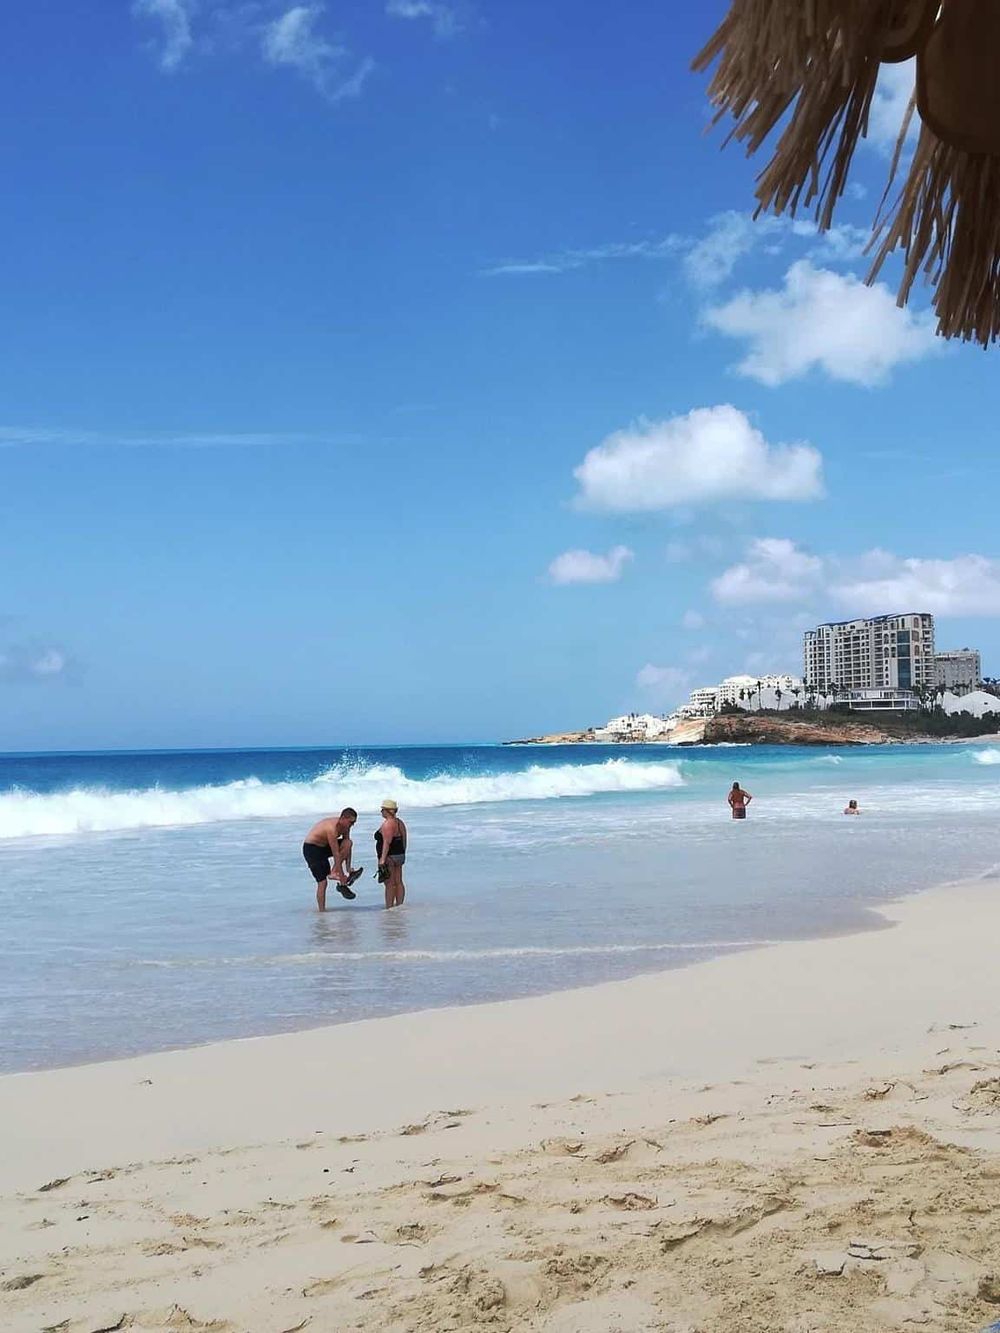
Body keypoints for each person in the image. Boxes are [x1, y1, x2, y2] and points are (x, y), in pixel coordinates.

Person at [303, 808, 363, 911]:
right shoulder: (332, 828)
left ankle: (338, 875)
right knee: (322, 882)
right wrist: (341, 875)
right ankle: (322, 911)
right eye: (351, 822)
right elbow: (336, 854)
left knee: (348, 842)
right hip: (312, 848)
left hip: (324, 846)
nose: (352, 825)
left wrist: (348, 869)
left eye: (354, 822)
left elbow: (347, 846)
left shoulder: (346, 827)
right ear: (343, 818)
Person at [375, 798, 407, 909]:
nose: (381, 812)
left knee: (389, 883)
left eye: (382, 810)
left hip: (389, 856)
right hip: (399, 855)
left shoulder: (388, 824)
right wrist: (403, 853)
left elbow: (387, 843)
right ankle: (399, 905)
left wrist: (382, 859)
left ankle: (389, 907)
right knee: (398, 881)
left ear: (387, 811)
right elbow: (404, 839)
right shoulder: (400, 822)